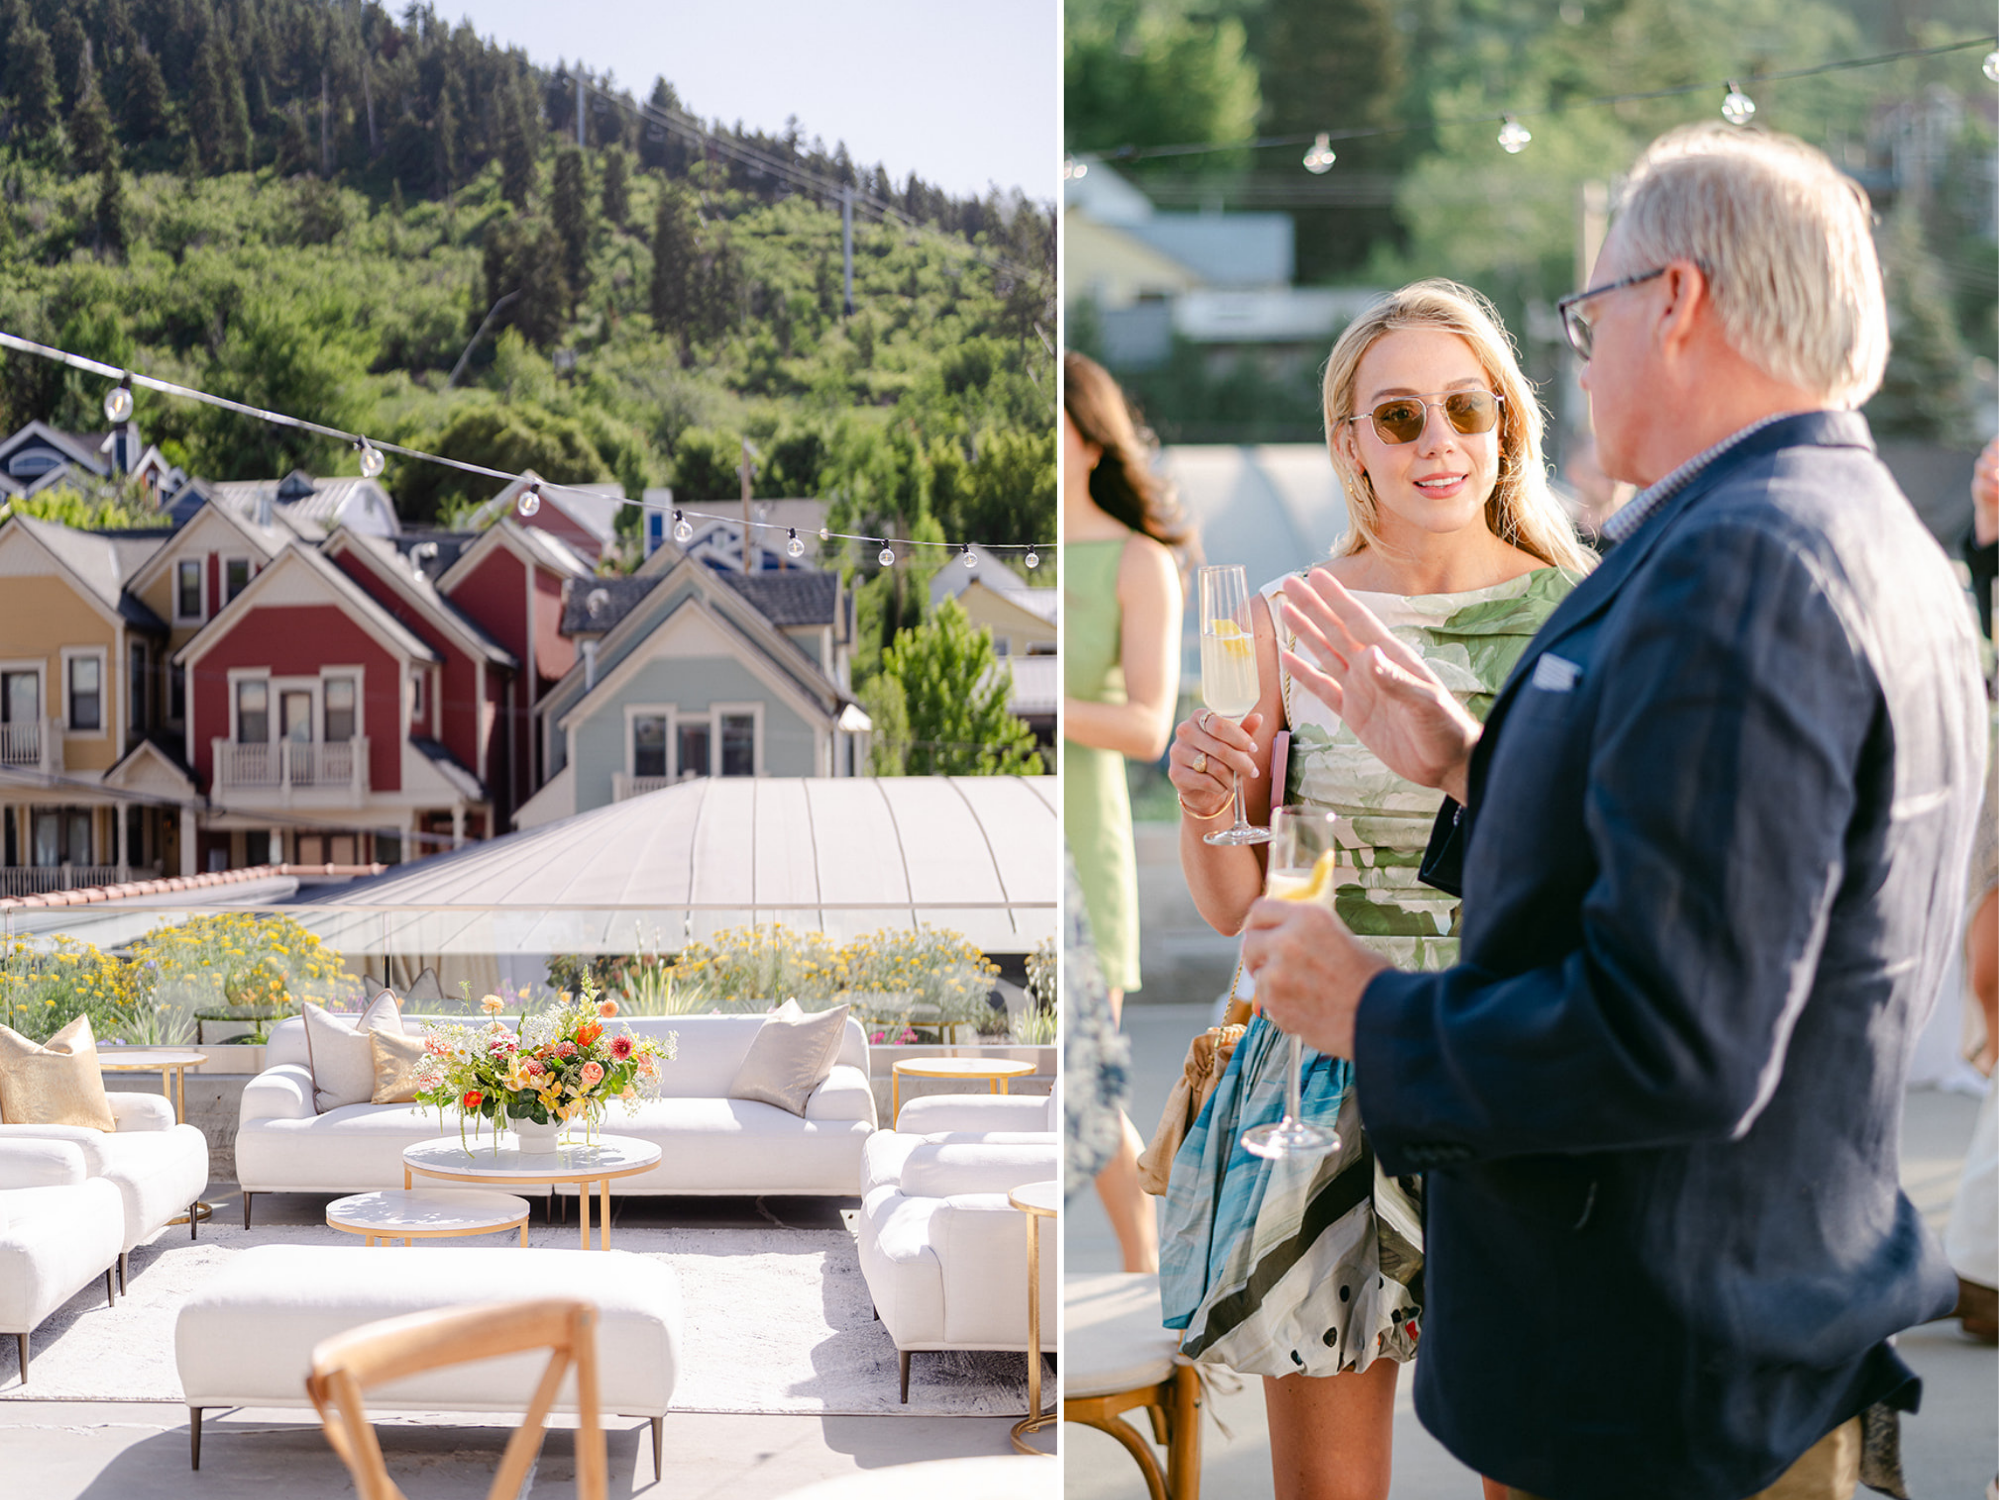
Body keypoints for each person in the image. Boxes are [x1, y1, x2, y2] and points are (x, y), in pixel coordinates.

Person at [1249, 124, 1987, 1500]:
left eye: (1590, 312)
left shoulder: (1744, 565)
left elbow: (1677, 1035)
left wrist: (1371, 1013)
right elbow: (1739, 866)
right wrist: (1477, 765)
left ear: (1679, 302)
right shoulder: (1860, 529)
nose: (1578, 351)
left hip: (1663, 1386)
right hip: (1746, 1336)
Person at [1160, 280, 1590, 1500]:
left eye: (1464, 408)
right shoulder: (1285, 620)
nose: (1435, 442)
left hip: (1514, 1060)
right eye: (1395, 418)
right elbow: (1237, 902)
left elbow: (1598, 865)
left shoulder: (1578, 615)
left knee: (1536, 1470)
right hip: (1316, 1078)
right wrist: (1205, 808)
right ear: (1347, 441)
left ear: (1506, 423)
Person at [1063, 350, 1192, 1273]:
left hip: (1084, 843)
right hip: (1002, 833)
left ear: (1082, 433)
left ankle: (1147, 1268)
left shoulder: (1139, 560)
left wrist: (1032, 706)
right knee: (1047, 1077)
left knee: (1085, 1076)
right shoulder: (996, 557)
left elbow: (1151, 727)